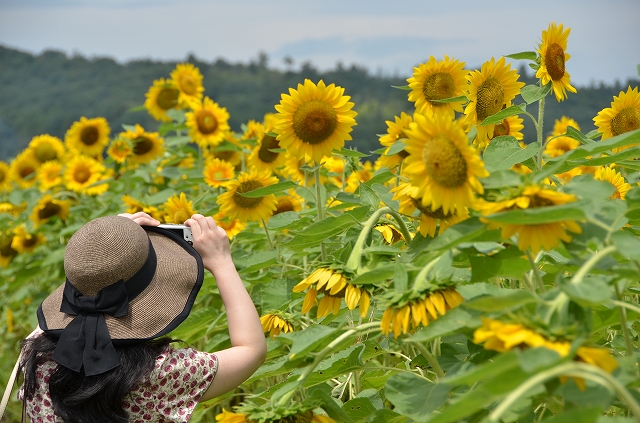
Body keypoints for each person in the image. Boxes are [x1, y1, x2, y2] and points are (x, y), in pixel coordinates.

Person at [17, 212, 267, 422]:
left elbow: (62, 312)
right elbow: (251, 349)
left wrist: (101, 251)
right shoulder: (161, 374)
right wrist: (222, 263)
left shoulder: (36, 359)